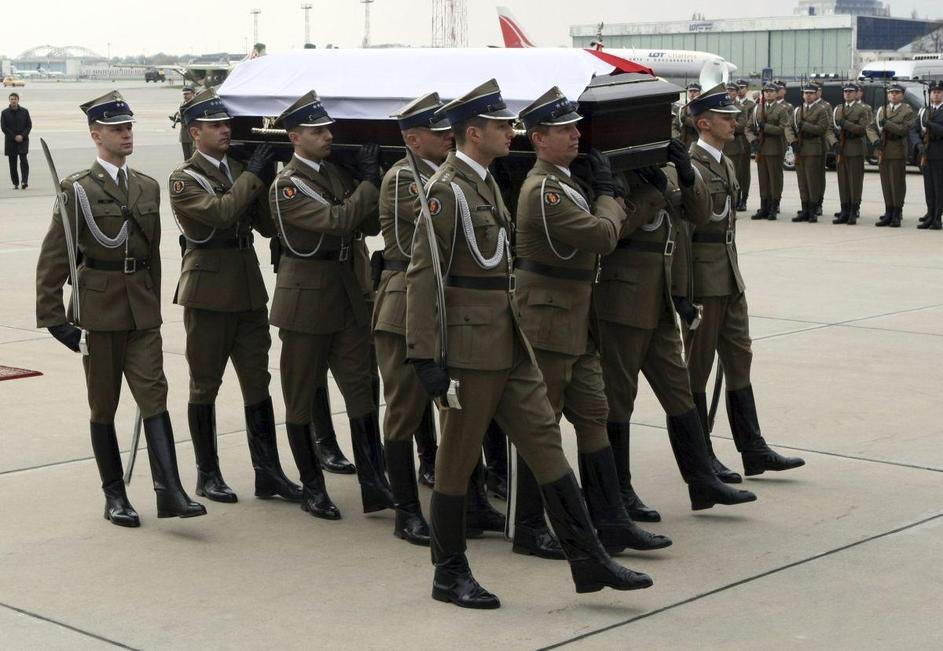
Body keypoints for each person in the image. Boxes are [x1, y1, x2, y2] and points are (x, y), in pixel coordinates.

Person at [406, 79, 652, 609]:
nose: (510, 132)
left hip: (508, 339)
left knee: (544, 442)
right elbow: (424, 274)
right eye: (500, 125)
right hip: (470, 349)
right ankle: (449, 572)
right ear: (474, 133)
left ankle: (589, 557)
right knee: (456, 460)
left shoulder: (485, 183)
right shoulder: (446, 191)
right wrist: (424, 354)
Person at [511, 86, 672, 556]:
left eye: (577, 128)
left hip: (577, 320)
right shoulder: (543, 190)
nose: (576, 135)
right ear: (539, 138)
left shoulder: (567, 183)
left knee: (594, 415)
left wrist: (608, 194)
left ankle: (611, 520)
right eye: (564, 130)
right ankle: (528, 527)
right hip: (548, 322)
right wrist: (608, 193)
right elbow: (603, 236)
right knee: (541, 426)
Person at [35, 91, 206, 527]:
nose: (126, 134)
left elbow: (153, 255)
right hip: (98, 313)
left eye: (128, 127)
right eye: (116, 129)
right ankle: (114, 495)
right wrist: (55, 319)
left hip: (140, 313)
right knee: (103, 405)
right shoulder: (77, 190)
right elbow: (55, 257)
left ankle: (170, 490)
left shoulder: (146, 185)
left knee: (154, 395)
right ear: (96, 135)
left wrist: (152, 303)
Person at [595, 129, 757, 516]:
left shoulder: (663, 167)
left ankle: (702, 481)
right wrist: (651, 192)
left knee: (679, 391)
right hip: (624, 302)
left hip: (663, 299)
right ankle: (620, 493)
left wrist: (685, 173)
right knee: (619, 398)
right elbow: (613, 231)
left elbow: (698, 215)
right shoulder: (611, 171)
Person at [168, 88, 302, 505]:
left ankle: (268, 472)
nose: (225, 130)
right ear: (195, 133)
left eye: (227, 123)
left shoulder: (241, 169)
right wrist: (252, 176)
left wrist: (270, 176)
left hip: (246, 287)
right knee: (205, 382)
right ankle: (207, 474)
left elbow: (267, 226)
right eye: (215, 125)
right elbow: (222, 214)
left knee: (257, 380)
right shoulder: (184, 178)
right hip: (208, 291)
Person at [267, 90, 394, 519]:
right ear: (294, 137)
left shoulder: (337, 174)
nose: (327, 136)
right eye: (317, 131)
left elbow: (369, 224)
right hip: (306, 302)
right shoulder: (288, 185)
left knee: (361, 391)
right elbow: (337, 221)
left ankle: (374, 482)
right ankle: (312, 487)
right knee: (301, 396)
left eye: (328, 129)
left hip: (348, 294)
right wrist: (368, 184)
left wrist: (372, 179)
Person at [682, 86, 806, 479]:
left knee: (740, 359)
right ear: (704, 123)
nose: (734, 122)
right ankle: (701, 456)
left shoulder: (726, 163)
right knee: (697, 369)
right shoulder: (690, 166)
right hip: (704, 282)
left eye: (734, 116)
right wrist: (683, 292)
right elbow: (683, 236)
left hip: (730, 278)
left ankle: (753, 448)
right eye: (726, 118)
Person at [373, 92, 454, 545]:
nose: (448, 137)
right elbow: (441, 227)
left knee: (451, 406)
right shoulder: (405, 178)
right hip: (404, 305)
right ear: (413, 139)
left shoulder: (441, 174)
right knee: (404, 411)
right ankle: (406, 511)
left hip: (438, 302)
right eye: (438, 132)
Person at [873, 83, 915, 228]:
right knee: (886, 184)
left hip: (897, 150)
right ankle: (888, 211)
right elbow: (870, 127)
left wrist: (888, 124)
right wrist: (875, 140)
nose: (894, 95)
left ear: (902, 96)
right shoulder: (882, 110)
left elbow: (904, 130)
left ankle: (897, 213)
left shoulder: (907, 111)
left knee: (897, 183)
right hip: (883, 150)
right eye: (891, 93)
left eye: (897, 93)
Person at [789, 84, 830, 223]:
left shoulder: (821, 110)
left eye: (811, 93)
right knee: (802, 181)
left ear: (816, 94)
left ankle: (813, 210)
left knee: (812, 181)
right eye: (806, 93)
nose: (808, 96)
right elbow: (788, 127)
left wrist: (806, 126)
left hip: (813, 148)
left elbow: (822, 128)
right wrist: (792, 141)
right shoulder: (797, 110)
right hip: (800, 148)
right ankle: (804, 208)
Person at [749, 83, 789, 220]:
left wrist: (766, 127)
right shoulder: (758, 108)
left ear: (777, 93)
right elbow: (748, 127)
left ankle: (773, 207)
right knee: (763, 179)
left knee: (774, 179)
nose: (768, 93)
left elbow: (782, 129)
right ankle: (763, 206)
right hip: (761, 148)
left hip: (775, 148)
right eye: (766, 91)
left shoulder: (782, 109)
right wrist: (752, 140)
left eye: (771, 91)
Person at [832, 83, 870, 225]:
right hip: (841, 149)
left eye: (850, 91)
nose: (847, 93)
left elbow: (863, 129)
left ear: (856, 93)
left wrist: (846, 124)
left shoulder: (862, 109)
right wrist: (834, 142)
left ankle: (854, 210)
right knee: (843, 182)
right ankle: (844, 210)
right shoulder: (838, 109)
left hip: (855, 148)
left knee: (855, 182)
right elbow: (830, 128)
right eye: (845, 91)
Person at [915, 80, 943, 230]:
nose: (936, 94)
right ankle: (930, 215)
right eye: (934, 92)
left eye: (939, 92)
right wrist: (918, 144)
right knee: (929, 187)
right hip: (926, 152)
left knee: (939, 187)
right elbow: (914, 130)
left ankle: (937, 218)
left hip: (939, 153)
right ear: (930, 94)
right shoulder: (923, 111)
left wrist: (931, 125)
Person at [2, 92, 31, 189]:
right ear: (9, 100)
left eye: (15, 99)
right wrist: (14, 136)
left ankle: (24, 181)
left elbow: (29, 125)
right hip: (11, 141)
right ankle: (16, 183)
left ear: (18, 100)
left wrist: (22, 136)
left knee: (24, 161)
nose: (13, 101)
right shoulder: (4, 113)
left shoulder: (24, 111)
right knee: (12, 164)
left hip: (23, 140)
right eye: (11, 99)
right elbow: (4, 127)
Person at [734, 80, 753, 211]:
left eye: (742, 87)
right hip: (731, 142)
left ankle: (744, 199)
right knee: (735, 172)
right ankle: (735, 197)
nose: (740, 90)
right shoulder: (729, 104)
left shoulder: (751, 105)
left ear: (747, 89)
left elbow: (748, 124)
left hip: (744, 142)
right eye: (738, 88)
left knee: (744, 172)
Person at [170, 86, 196, 160]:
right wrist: (177, 119)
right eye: (184, 94)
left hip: (193, 132)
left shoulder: (196, 103)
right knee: (186, 155)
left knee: (193, 155)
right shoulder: (182, 103)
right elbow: (181, 115)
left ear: (193, 94)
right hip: (184, 132)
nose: (185, 96)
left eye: (187, 94)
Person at [676, 83, 702, 148]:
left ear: (700, 93)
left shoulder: (704, 108)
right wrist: (676, 136)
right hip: (683, 142)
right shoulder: (683, 108)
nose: (692, 93)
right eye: (690, 91)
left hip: (697, 143)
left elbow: (702, 124)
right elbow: (674, 124)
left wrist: (686, 120)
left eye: (695, 91)